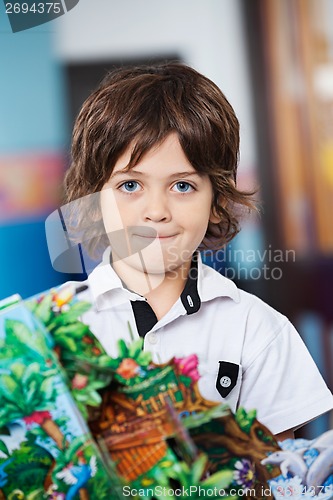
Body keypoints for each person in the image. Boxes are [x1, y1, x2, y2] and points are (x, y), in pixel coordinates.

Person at [62, 62, 333, 441]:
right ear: (95, 199)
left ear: (217, 200)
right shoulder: (52, 329)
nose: (156, 211)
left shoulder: (257, 331)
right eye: (129, 186)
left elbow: (276, 480)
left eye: (183, 186)